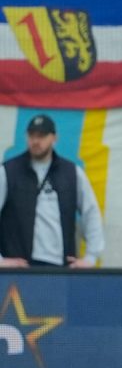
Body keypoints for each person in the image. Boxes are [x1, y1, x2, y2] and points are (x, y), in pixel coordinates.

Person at [1, 114, 104, 268]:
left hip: (61, 269)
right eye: (32, 135)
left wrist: (91, 257)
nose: (36, 141)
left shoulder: (72, 173)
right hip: (19, 269)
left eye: (41, 136)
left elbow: (91, 213)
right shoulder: (8, 171)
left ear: (54, 138)